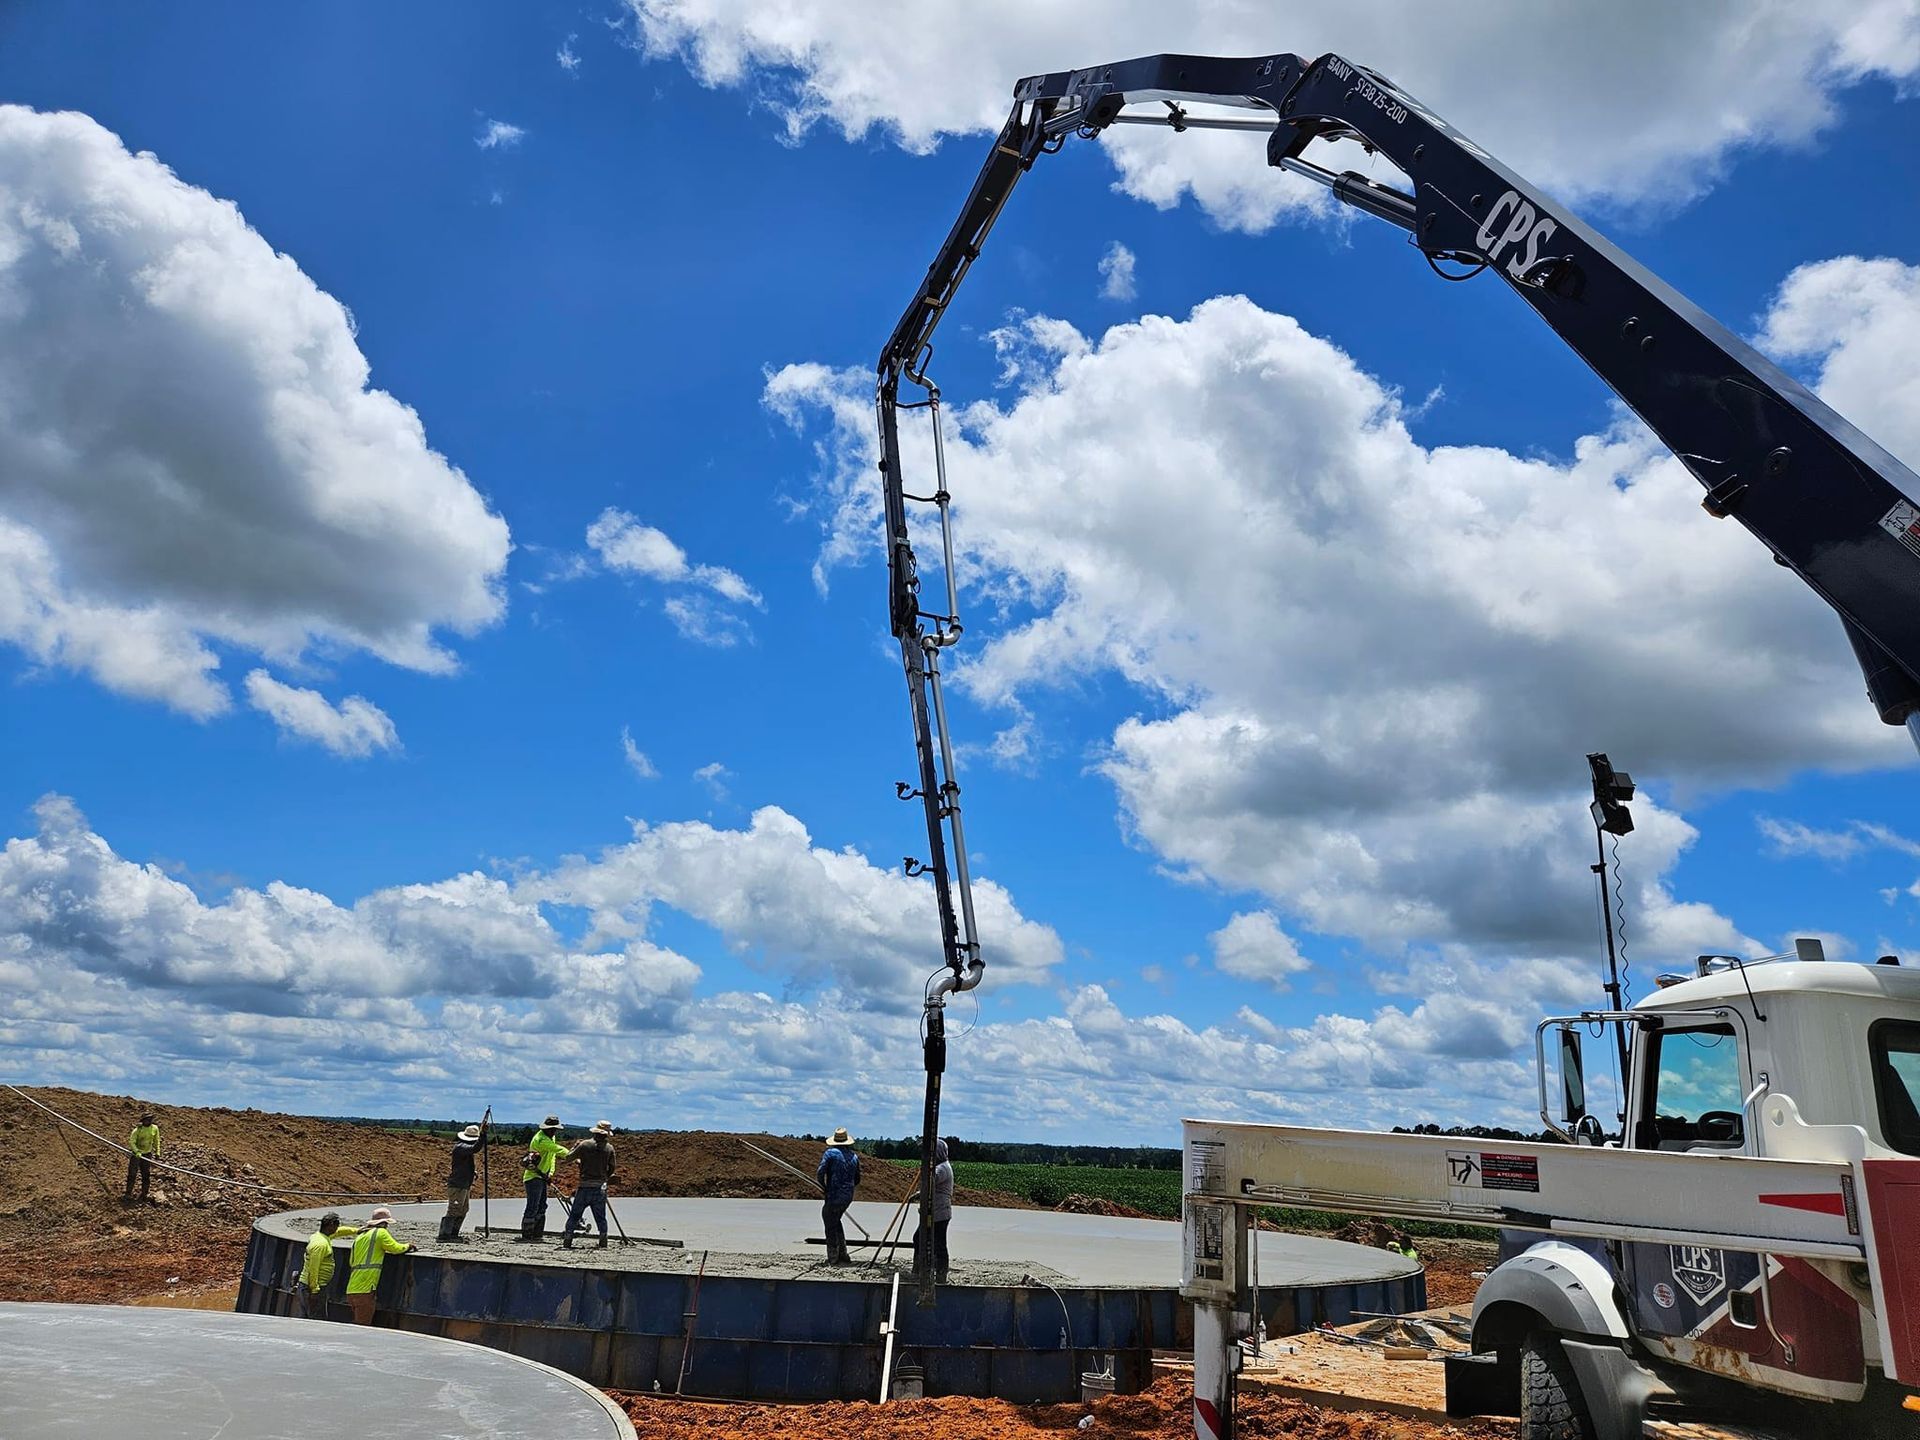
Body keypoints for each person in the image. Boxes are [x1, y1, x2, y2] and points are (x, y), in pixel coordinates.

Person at [343, 1206, 411, 1324]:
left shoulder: (361, 1236)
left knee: (356, 1323)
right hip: (365, 1288)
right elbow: (395, 1248)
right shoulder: (380, 1233)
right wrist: (408, 1246)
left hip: (352, 1288)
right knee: (362, 1326)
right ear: (384, 1223)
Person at [560, 1120, 617, 1249]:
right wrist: (605, 1177)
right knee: (601, 1217)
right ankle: (603, 1240)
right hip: (599, 1188)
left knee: (574, 1215)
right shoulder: (609, 1148)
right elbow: (612, 1167)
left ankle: (568, 1239)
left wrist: (575, 1146)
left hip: (584, 1187)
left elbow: (568, 1157)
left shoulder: (584, 1145)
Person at [292, 1212, 359, 1319]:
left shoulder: (320, 1236)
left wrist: (357, 1231)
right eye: (337, 1225)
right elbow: (313, 1269)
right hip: (311, 1288)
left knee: (307, 1318)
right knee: (315, 1319)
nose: (337, 1228)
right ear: (331, 1225)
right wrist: (314, 1291)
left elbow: (339, 1232)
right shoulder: (320, 1245)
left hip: (310, 1287)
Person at [816, 1126, 861, 1265]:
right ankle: (843, 1254)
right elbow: (857, 1179)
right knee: (836, 1221)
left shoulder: (830, 1153)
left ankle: (833, 1257)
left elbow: (820, 1172)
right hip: (847, 1197)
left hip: (834, 1195)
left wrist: (824, 1187)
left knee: (829, 1222)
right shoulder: (854, 1156)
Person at [519, 1115, 566, 1242]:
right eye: (552, 1129)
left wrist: (550, 1172)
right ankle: (527, 1234)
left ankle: (537, 1233)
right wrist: (573, 1155)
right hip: (533, 1177)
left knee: (542, 1205)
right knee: (533, 1206)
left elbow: (553, 1156)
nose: (554, 1132)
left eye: (555, 1129)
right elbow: (558, 1149)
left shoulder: (552, 1137)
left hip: (543, 1177)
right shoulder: (541, 1139)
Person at [439, 1120, 488, 1242]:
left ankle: (453, 1233)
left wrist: (472, 1173)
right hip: (457, 1185)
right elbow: (475, 1148)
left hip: (464, 1184)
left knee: (463, 1209)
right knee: (454, 1209)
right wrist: (482, 1135)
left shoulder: (464, 1149)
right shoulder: (460, 1147)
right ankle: (445, 1234)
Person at [125, 1111, 160, 1201]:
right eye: (146, 1120)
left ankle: (144, 1194)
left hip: (147, 1154)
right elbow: (132, 1141)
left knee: (146, 1174)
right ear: (143, 1121)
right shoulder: (138, 1130)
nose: (148, 1121)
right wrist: (136, 1151)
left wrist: (157, 1152)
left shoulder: (154, 1128)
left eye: (150, 1119)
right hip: (136, 1155)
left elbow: (156, 1141)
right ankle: (128, 1193)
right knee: (132, 1174)